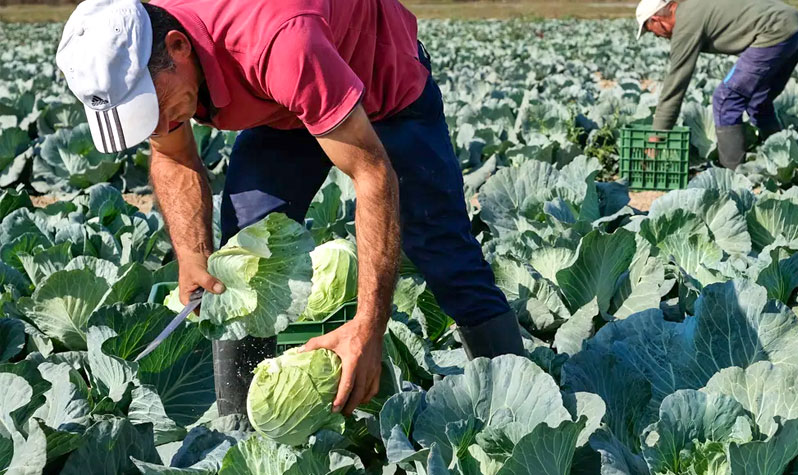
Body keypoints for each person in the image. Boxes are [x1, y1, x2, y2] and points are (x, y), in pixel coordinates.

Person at [55, 0, 524, 416]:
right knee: (243, 264)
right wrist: (194, 255)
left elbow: (371, 175)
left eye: (154, 107)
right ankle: (241, 423)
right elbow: (173, 153)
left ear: (178, 47)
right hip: (277, 105)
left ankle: (514, 397)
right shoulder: (150, 38)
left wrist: (368, 327)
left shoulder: (279, 41)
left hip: (381, 89)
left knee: (442, 248)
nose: (160, 123)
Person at [636, 0, 798, 169]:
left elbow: (676, 82)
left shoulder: (685, 24)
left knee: (726, 99)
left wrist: (657, 134)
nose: (658, 36)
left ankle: (732, 176)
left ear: (656, 20)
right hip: (796, 26)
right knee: (759, 101)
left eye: (653, 32)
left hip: (774, 31)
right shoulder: (693, 7)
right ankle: (785, 160)